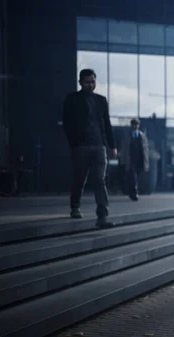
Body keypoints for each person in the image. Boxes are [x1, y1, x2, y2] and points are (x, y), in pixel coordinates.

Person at [62, 69, 116, 228]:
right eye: (87, 82)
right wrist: (74, 143)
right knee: (79, 179)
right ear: (80, 82)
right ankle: (75, 206)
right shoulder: (72, 99)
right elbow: (67, 123)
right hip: (81, 146)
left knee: (100, 180)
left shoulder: (101, 100)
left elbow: (107, 124)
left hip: (99, 146)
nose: (90, 84)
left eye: (93, 81)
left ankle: (102, 217)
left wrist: (112, 146)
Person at [119, 119, 149, 201]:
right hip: (131, 159)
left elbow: (145, 149)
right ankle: (135, 192)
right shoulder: (127, 136)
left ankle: (132, 192)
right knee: (133, 176)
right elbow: (124, 149)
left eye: (137, 124)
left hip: (140, 160)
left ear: (139, 125)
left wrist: (146, 161)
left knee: (137, 176)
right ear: (131, 125)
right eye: (134, 124)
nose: (135, 126)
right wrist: (123, 160)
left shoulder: (142, 136)